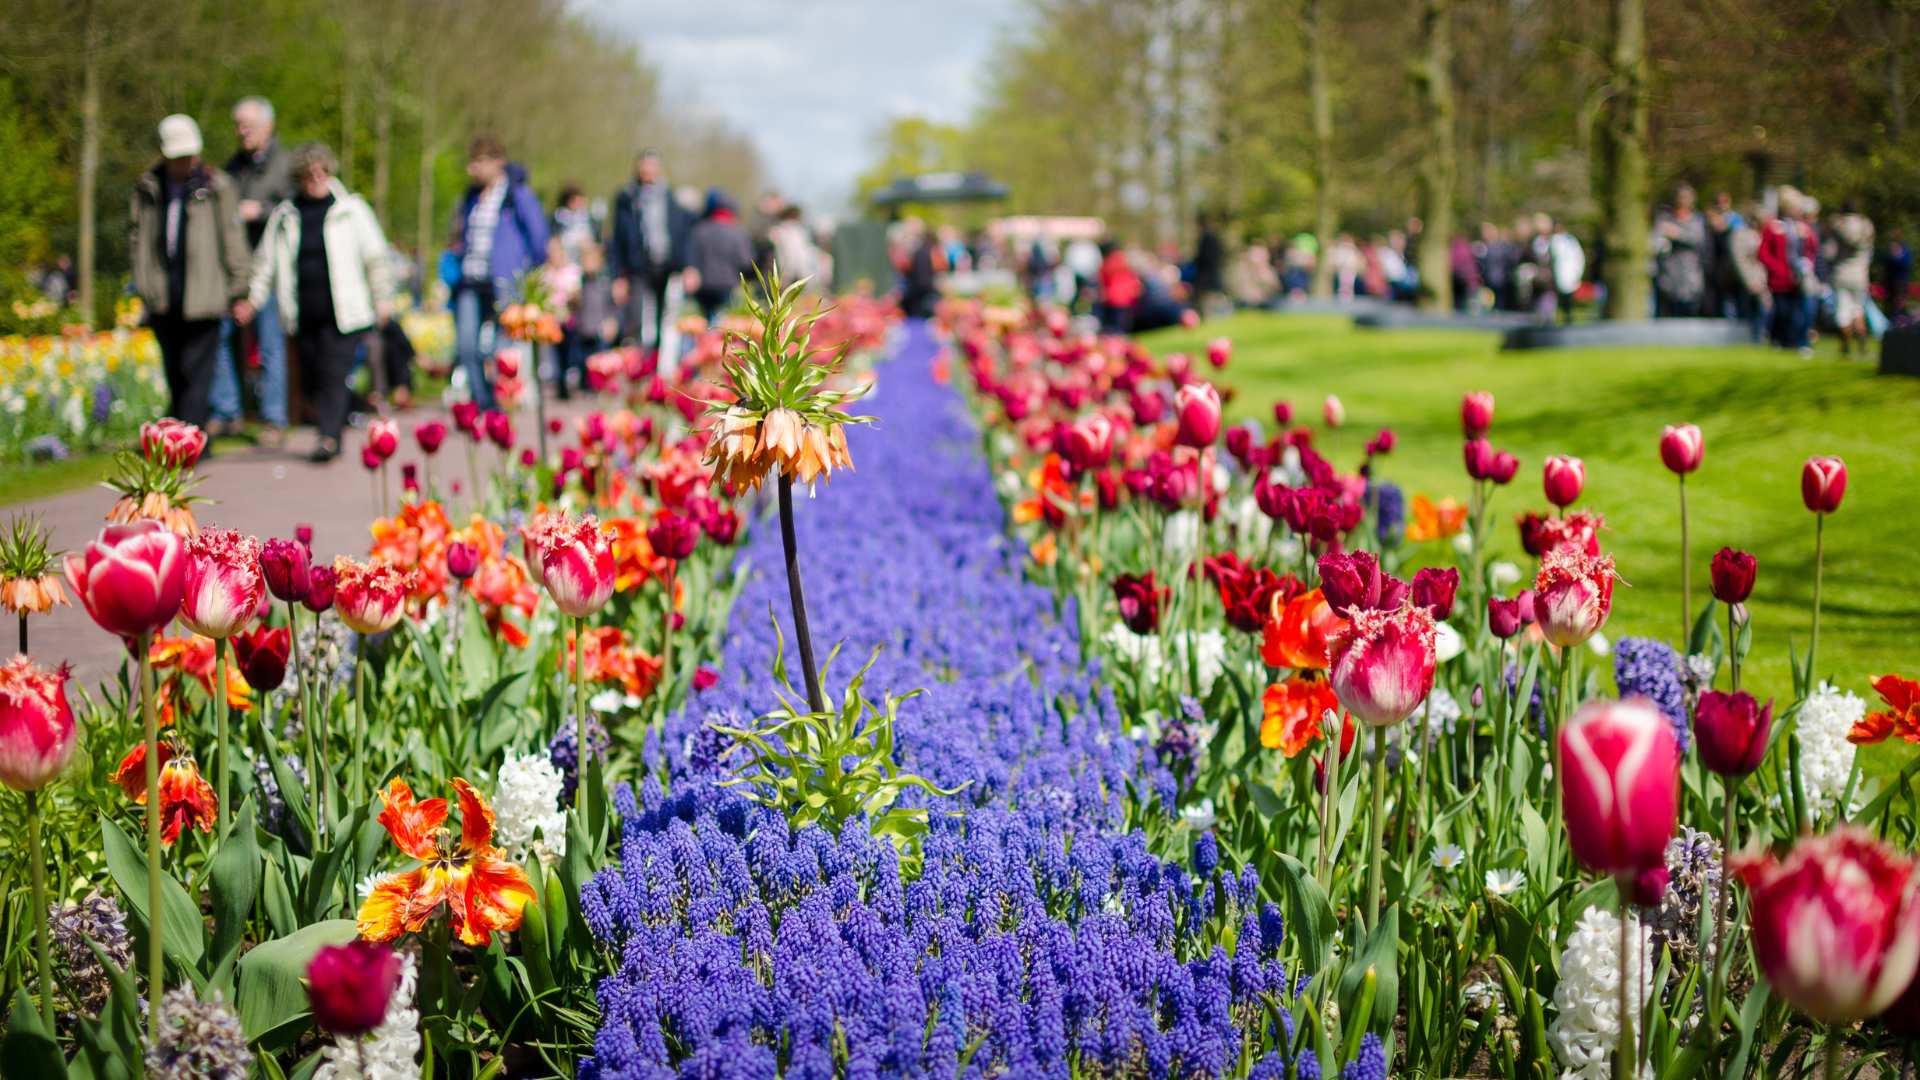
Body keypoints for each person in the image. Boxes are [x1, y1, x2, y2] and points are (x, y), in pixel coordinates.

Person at [237, 143, 393, 463]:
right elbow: (265, 264)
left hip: (344, 313)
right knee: (312, 376)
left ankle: (329, 437)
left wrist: (382, 299)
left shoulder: (351, 210)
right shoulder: (285, 216)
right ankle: (338, 420)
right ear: (300, 178)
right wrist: (252, 299)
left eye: (322, 171)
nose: (317, 178)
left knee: (333, 373)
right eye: (310, 174)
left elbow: (376, 257)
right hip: (303, 312)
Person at [130, 115, 251, 429]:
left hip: (205, 293)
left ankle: (190, 438)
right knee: (174, 369)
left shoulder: (216, 186)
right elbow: (137, 237)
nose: (185, 162)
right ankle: (178, 434)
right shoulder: (149, 187)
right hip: (163, 292)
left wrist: (240, 290)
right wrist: (144, 286)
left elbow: (233, 237)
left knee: (198, 370)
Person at [213, 96, 294, 443]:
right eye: (238, 124)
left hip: (271, 270)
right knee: (222, 336)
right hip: (235, 268)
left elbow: (293, 210)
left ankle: (273, 419)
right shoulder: (232, 168)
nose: (241, 130)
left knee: (270, 343)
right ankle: (227, 411)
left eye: (248, 123)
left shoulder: (286, 165)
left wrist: (259, 210)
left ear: (268, 125)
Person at [447, 134, 547, 411]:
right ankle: (484, 402)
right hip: (470, 279)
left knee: (500, 350)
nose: (473, 169)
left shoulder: (517, 195)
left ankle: (505, 401)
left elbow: (538, 237)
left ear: (497, 162)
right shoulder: (470, 197)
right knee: (467, 347)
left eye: (479, 162)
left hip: (505, 280)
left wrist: (529, 272)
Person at [608, 150, 692, 352]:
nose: (648, 171)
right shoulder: (626, 198)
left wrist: (686, 266)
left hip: (665, 265)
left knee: (665, 319)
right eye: (644, 166)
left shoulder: (670, 198)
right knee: (636, 318)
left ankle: (656, 366)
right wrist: (618, 275)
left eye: (652, 166)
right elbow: (618, 238)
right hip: (637, 265)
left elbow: (681, 233)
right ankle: (637, 367)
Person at [682, 189, 756, 324]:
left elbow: (690, 259)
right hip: (728, 286)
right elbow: (746, 262)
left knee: (704, 323)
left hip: (703, 287)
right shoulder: (738, 233)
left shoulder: (699, 230)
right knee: (725, 324)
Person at [1828, 204, 1875, 357]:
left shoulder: (1839, 225)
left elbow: (1829, 252)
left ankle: (1845, 346)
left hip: (1841, 274)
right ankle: (1862, 344)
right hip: (1860, 275)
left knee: (1843, 312)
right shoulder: (1866, 226)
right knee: (1858, 310)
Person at [1547, 216, 1586, 325]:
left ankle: (1567, 317)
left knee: (1568, 296)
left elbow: (1578, 257)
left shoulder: (1570, 240)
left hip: (1568, 273)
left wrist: (1577, 272)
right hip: (1557, 274)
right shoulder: (1553, 240)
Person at [1882, 228, 1912, 319]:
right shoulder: (1889, 248)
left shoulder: (1904, 249)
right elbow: (1884, 261)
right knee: (1890, 300)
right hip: (1890, 279)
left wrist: (1896, 257)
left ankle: (1899, 317)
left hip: (1900, 279)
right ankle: (1893, 318)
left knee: (1899, 299)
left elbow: (1906, 263)